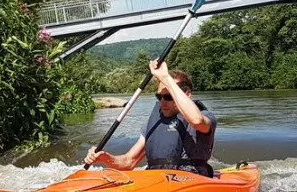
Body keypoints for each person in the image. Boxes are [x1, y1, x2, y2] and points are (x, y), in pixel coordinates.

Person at [85, 60, 217, 177]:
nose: (162, 102)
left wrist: (166, 78)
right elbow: (128, 162)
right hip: (157, 179)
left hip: (190, 179)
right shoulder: (154, 123)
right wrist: (105, 158)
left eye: (169, 96)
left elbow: (196, 121)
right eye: (159, 97)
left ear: (187, 94)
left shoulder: (205, 117)